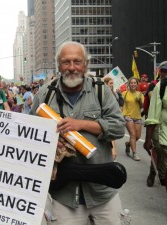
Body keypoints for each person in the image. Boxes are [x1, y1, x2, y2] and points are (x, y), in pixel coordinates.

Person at [30, 41, 125, 225]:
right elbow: (30, 134)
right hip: (64, 194)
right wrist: (48, 141)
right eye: (66, 62)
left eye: (77, 61)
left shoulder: (101, 91)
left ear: (85, 65)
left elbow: (119, 127)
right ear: (59, 65)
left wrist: (81, 124)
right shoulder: (45, 94)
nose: (72, 67)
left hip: (102, 192)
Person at [144, 61, 167, 188]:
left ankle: (162, 174)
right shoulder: (155, 85)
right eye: (164, 71)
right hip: (157, 123)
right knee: (158, 149)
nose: (165, 74)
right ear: (160, 72)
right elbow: (152, 100)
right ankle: (155, 172)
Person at [122, 77, 144, 161]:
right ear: (129, 84)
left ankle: (128, 144)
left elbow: (142, 107)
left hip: (137, 117)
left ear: (137, 84)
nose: (133, 84)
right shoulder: (125, 93)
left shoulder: (140, 94)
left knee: (137, 136)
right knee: (133, 134)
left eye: (135, 83)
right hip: (127, 116)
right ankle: (134, 153)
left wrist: (139, 100)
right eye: (131, 83)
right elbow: (120, 102)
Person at [103, 77, 124, 160]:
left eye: (112, 83)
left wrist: (119, 94)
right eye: (110, 83)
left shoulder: (115, 93)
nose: (112, 85)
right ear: (106, 84)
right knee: (110, 134)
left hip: (116, 115)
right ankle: (112, 151)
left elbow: (121, 103)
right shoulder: (104, 93)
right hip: (107, 116)